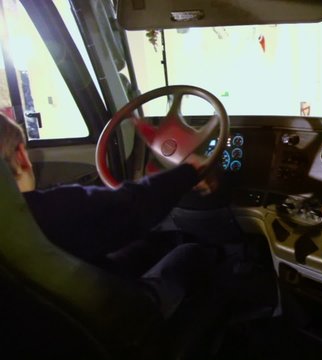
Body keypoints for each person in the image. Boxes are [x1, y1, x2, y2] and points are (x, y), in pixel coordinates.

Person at [0, 112, 220, 318]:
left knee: (154, 244)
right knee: (191, 255)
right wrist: (188, 171)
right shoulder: (52, 208)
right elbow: (134, 207)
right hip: (115, 317)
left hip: (55, 320)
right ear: (21, 156)